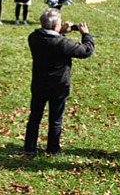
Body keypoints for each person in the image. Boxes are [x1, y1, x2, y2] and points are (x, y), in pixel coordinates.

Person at [23, 9, 94, 156]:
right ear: (56, 26)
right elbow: (86, 50)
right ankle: (53, 149)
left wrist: (59, 31)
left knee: (35, 117)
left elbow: (51, 40)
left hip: (39, 84)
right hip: (58, 87)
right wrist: (85, 34)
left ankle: (29, 148)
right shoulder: (62, 43)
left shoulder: (34, 37)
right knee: (55, 119)